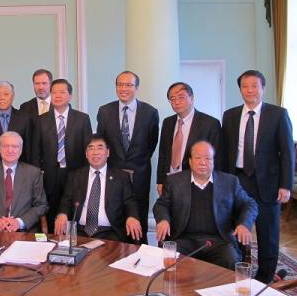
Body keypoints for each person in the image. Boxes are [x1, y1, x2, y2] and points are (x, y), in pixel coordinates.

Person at [221, 70, 294, 283]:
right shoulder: (230, 115)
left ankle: (265, 278)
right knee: (237, 229)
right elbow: (225, 151)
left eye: (254, 86)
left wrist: (286, 185)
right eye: (245, 86)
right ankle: (239, 271)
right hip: (238, 180)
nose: (250, 90)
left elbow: (287, 152)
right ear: (240, 90)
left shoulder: (278, 114)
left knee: (267, 233)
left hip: (268, 184)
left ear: (263, 88)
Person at [153, 141, 258, 270]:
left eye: (208, 158)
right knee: (170, 260)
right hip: (184, 240)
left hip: (218, 241)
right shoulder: (175, 181)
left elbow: (249, 204)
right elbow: (161, 204)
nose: (202, 162)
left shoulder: (229, 182)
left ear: (213, 161)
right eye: (198, 158)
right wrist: (163, 220)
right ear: (190, 161)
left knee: (229, 258)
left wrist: (244, 224)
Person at [96, 71, 159, 243]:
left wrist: (136, 162)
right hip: (113, 174)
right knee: (115, 215)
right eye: (120, 84)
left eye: (129, 85)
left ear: (137, 88)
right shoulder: (104, 111)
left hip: (139, 174)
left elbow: (151, 144)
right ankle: (116, 252)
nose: (124, 88)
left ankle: (140, 250)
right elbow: (102, 142)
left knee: (139, 216)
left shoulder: (150, 112)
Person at [54, 135, 142, 243]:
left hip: (110, 232)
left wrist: (132, 217)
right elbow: (66, 200)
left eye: (100, 148)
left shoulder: (121, 177)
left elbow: (129, 201)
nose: (95, 152)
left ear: (108, 152)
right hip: (79, 231)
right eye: (91, 148)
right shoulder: (75, 176)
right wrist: (62, 214)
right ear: (86, 154)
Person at [35, 78, 92, 231]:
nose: (58, 95)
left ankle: (73, 241)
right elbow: (36, 150)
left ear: (70, 95)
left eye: (62, 92)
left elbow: (88, 149)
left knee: (74, 211)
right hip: (49, 175)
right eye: (54, 92)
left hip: (75, 174)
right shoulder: (41, 120)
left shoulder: (82, 119)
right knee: (51, 212)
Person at [0, 131, 47, 232]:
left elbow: (41, 205)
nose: (10, 150)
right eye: (5, 146)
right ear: (0, 149)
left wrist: (19, 222)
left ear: (20, 150)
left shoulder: (33, 173)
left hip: (23, 232)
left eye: (15, 146)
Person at [156, 82, 221, 196]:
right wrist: (160, 180)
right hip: (170, 180)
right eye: (172, 99)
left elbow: (216, 157)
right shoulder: (168, 122)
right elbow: (163, 153)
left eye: (181, 97)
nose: (176, 102)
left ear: (192, 98)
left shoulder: (210, 123)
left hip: (197, 181)